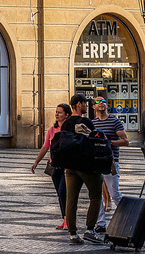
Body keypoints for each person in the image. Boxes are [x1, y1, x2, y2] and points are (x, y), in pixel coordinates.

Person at [61, 93, 106, 245]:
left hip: (70, 167)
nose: (87, 106)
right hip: (86, 166)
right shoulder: (85, 121)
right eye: (85, 103)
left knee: (71, 199)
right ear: (78, 104)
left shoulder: (66, 122)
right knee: (95, 195)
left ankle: (73, 234)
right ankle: (90, 230)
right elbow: (96, 140)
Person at [31, 102, 71, 229]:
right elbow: (45, 147)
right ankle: (64, 219)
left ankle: (68, 220)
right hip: (54, 166)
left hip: (67, 165)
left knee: (63, 191)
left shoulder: (70, 129)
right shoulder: (52, 130)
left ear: (67, 115)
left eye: (60, 112)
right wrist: (36, 162)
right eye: (56, 112)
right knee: (60, 194)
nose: (57, 114)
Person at [92, 96, 128, 213]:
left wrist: (108, 142)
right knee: (96, 195)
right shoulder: (92, 123)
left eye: (103, 101)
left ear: (106, 105)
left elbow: (125, 141)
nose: (101, 103)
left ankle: (128, 214)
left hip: (111, 161)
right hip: (96, 161)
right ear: (94, 107)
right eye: (97, 102)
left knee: (114, 192)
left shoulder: (114, 121)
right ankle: (100, 222)